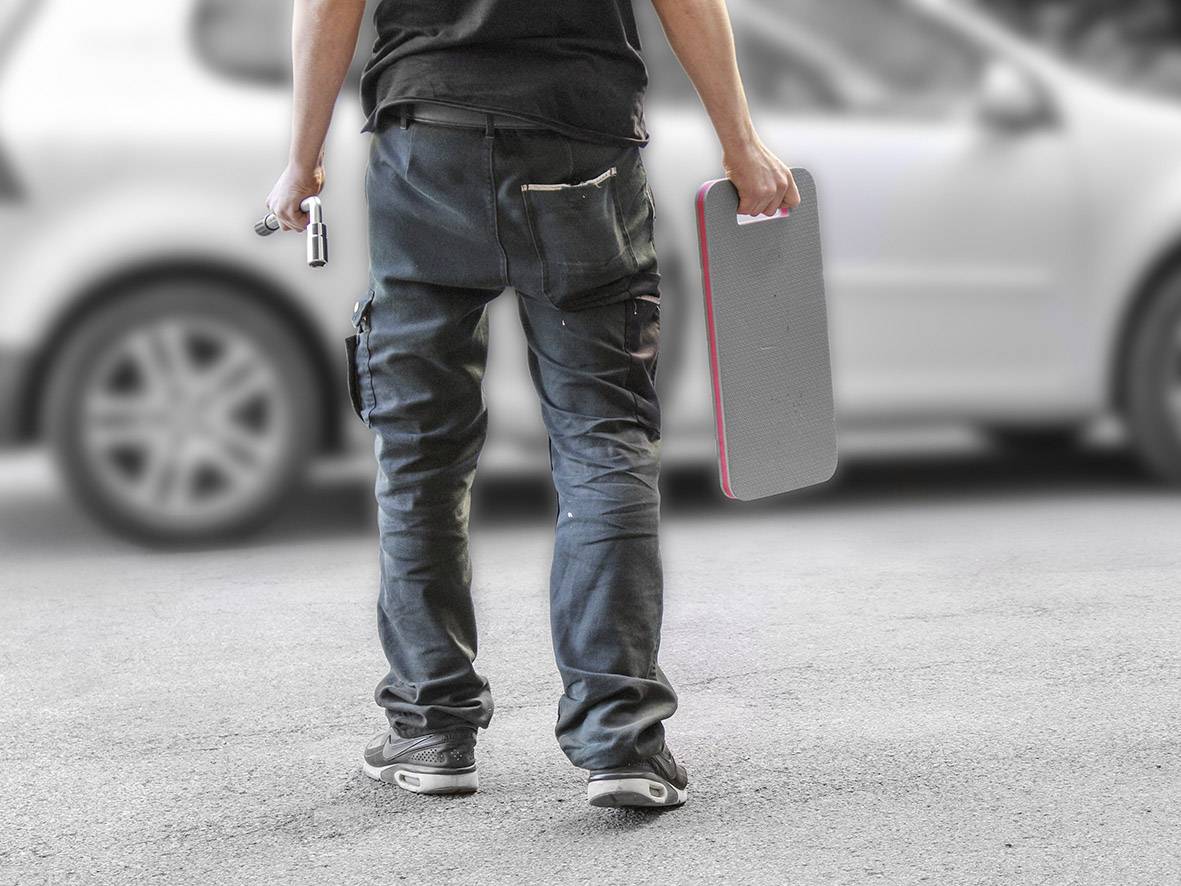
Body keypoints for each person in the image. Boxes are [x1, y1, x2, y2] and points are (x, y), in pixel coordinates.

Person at [266, 0, 800, 809]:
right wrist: (739, 141)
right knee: (602, 436)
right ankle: (620, 740)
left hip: (426, 145)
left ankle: (431, 727)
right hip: (578, 140)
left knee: (419, 448)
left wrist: (301, 157)